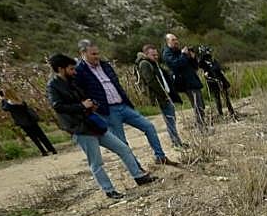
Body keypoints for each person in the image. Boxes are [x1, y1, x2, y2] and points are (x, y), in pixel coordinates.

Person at [46, 53, 159, 200]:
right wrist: (81, 106)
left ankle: (138, 176)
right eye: (71, 69)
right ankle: (109, 190)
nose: (74, 72)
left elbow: (83, 97)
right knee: (96, 162)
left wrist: (91, 105)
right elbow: (58, 107)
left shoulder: (72, 81)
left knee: (123, 148)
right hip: (80, 128)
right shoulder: (53, 86)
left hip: (94, 123)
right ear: (61, 69)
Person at [74, 39, 178, 166]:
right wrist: (93, 105)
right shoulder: (79, 71)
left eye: (98, 53)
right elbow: (78, 91)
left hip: (123, 105)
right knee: (122, 142)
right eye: (93, 54)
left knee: (148, 126)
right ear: (83, 53)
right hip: (107, 111)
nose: (97, 57)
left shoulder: (105, 65)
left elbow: (116, 83)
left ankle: (160, 157)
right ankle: (137, 169)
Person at [135, 44, 185, 148]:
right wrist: (163, 95)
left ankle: (177, 141)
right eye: (153, 55)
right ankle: (176, 143)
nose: (156, 57)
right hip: (161, 97)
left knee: (171, 119)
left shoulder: (154, 64)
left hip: (166, 95)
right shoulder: (145, 64)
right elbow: (151, 81)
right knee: (170, 119)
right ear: (146, 54)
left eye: (156, 55)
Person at [162, 33, 205, 126]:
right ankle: (202, 127)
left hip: (193, 80)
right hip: (186, 83)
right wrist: (183, 54)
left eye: (176, 39)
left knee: (201, 105)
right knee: (197, 105)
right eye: (173, 40)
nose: (176, 41)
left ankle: (203, 124)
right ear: (167, 42)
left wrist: (193, 58)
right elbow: (176, 65)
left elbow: (194, 67)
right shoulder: (167, 54)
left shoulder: (178, 51)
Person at [0, 88, 57, 156]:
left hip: (23, 123)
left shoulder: (9, 104)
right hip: (31, 120)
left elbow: (4, 108)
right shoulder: (20, 100)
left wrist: (2, 100)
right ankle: (52, 149)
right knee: (42, 135)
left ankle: (43, 151)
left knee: (34, 138)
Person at [197, 46, 237, 120]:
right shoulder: (202, 62)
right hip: (213, 82)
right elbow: (200, 65)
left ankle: (231, 112)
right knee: (217, 99)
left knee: (226, 98)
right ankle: (220, 114)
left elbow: (218, 68)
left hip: (220, 80)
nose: (209, 53)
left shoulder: (213, 60)